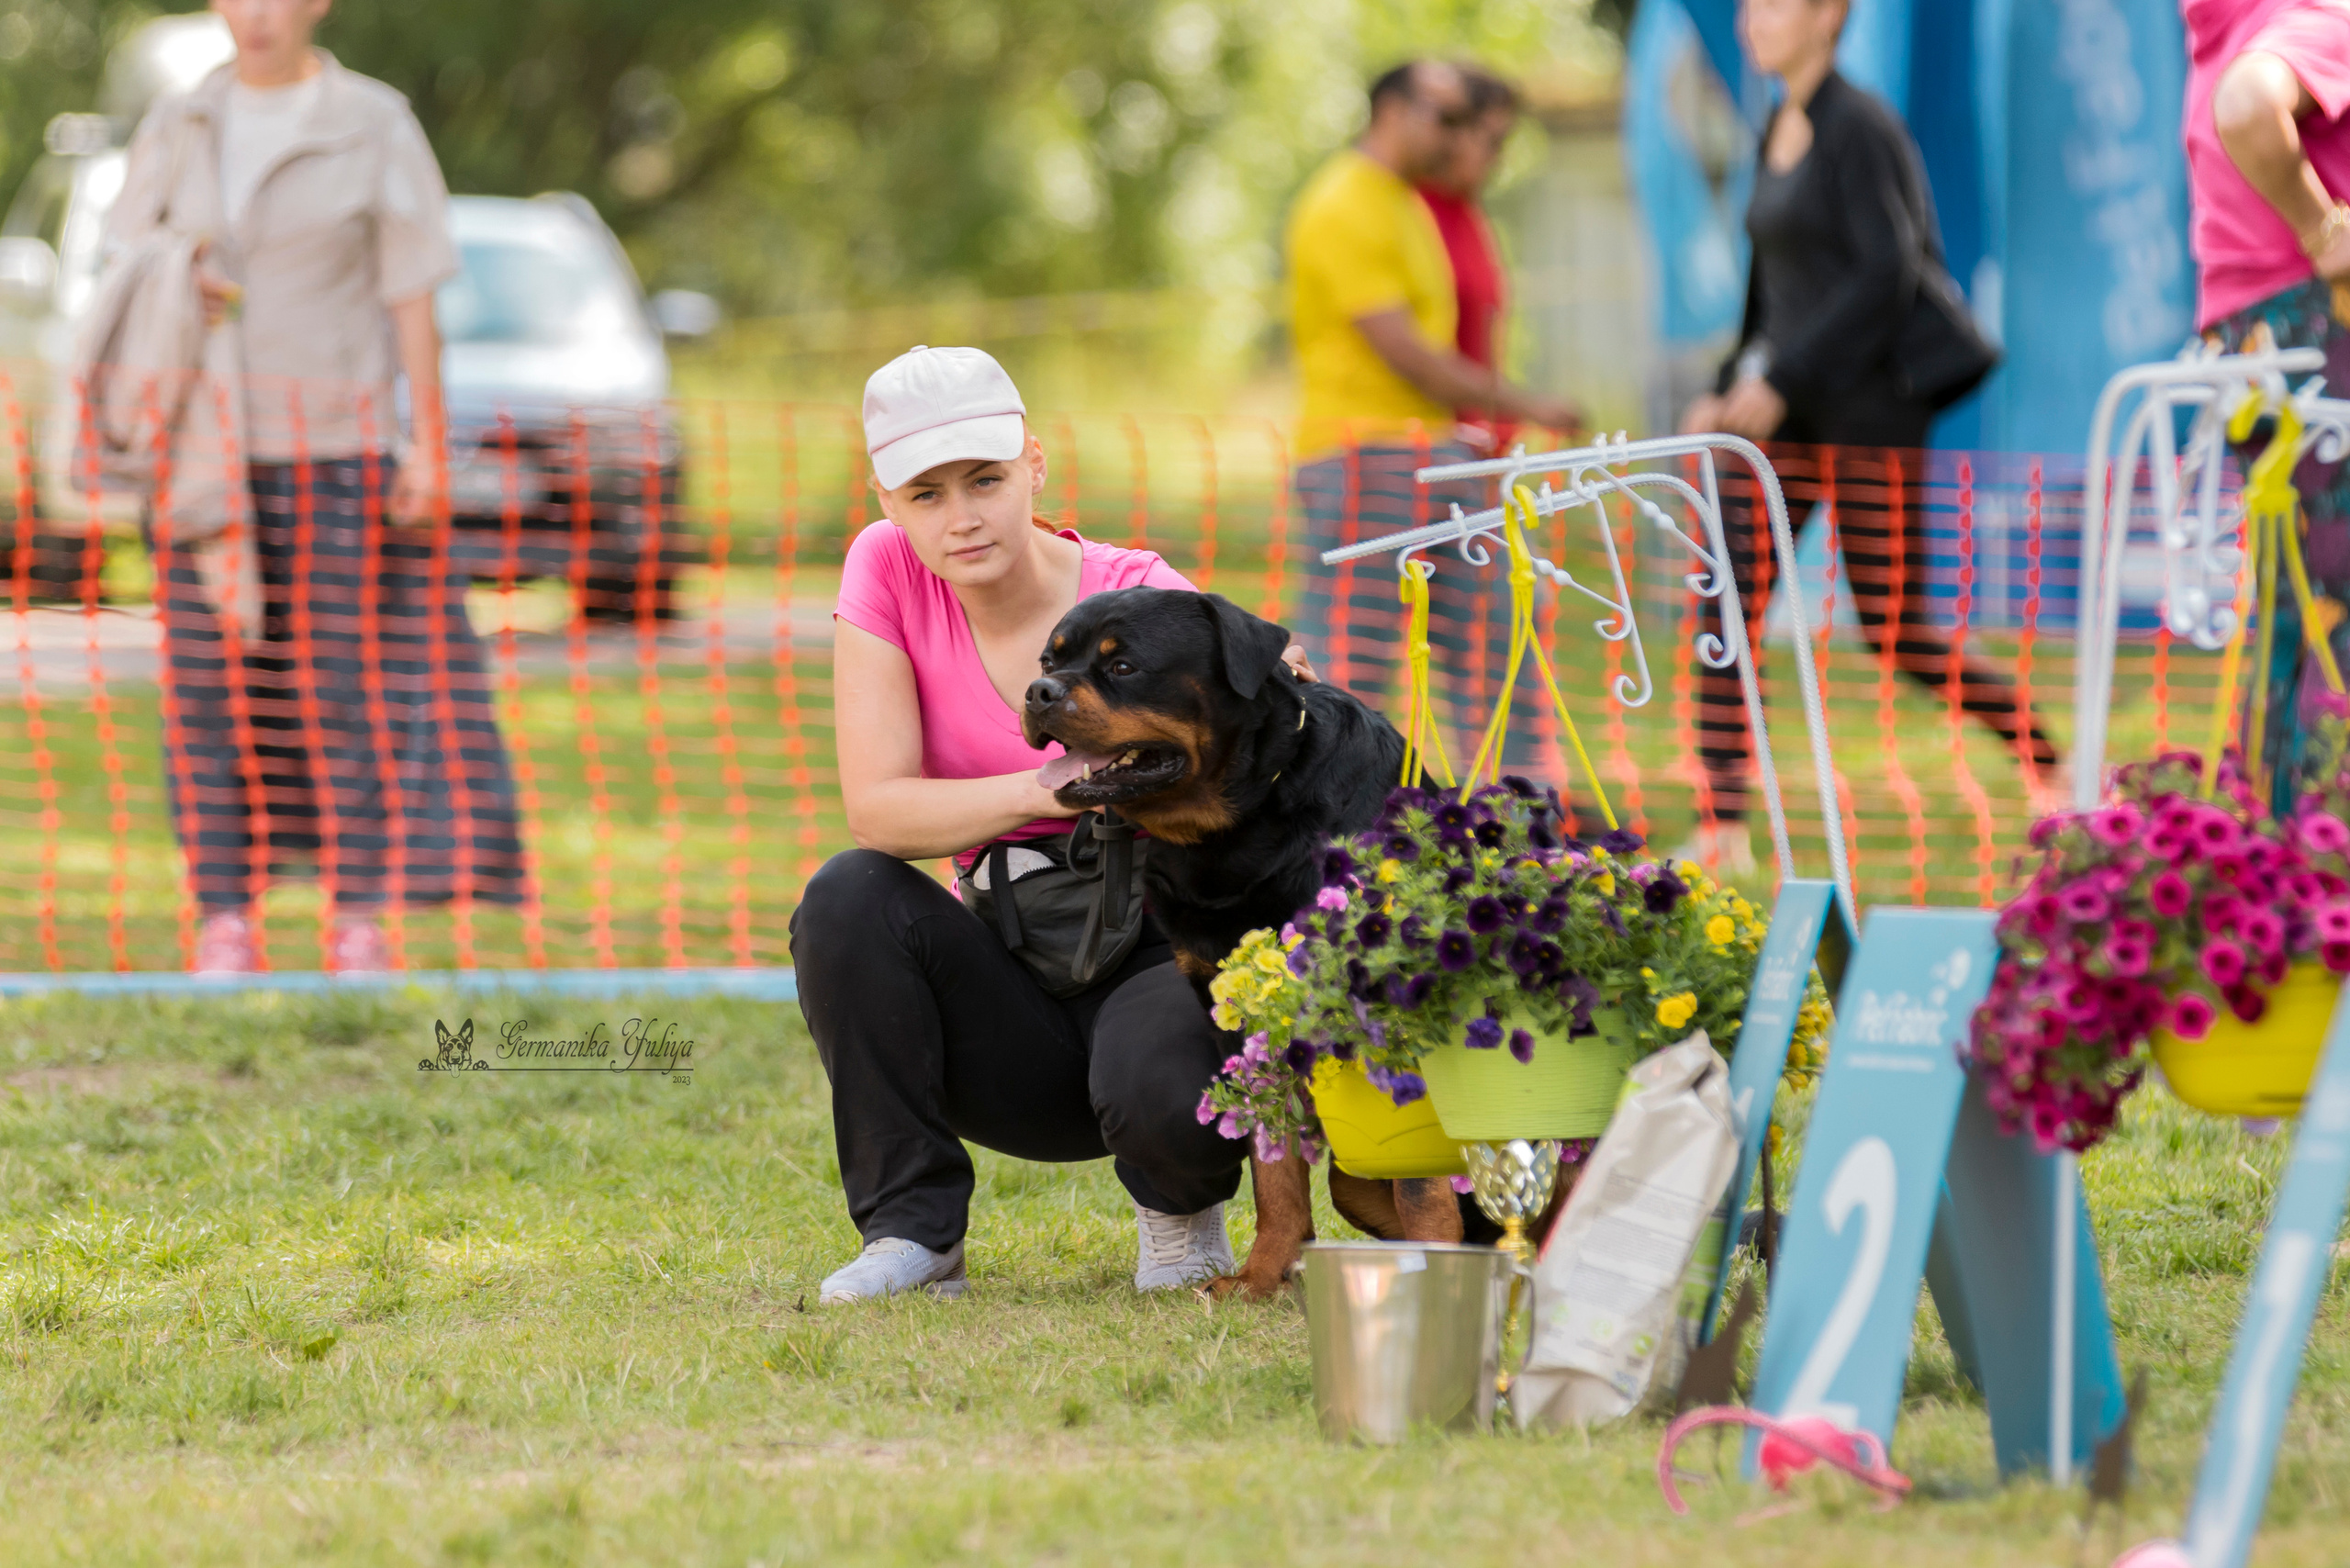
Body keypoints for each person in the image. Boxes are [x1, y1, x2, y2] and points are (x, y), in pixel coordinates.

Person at [794, 346, 1269, 1304]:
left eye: (985, 478)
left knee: (1157, 1066)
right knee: (846, 894)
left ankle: (1181, 1217)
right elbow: (878, 808)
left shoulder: (1137, 587)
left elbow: (1264, 705)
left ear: (1035, 465)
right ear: (887, 503)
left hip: (1153, 956)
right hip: (1011, 975)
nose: (961, 516)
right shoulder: (883, 567)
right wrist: (1049, 789)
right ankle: (913, 1237)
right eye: (924, 493)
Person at [105, 0, 524, 971]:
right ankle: (225, 918)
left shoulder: (372, 120)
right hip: (199, 453)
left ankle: (358, 916)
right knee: (208, 694)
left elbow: (411, 292)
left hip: (336, 453)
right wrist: (174, 276)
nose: (257, 15)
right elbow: (123, 260)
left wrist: (423, 445)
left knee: (344, 690)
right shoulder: (180, 122)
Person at [1679, 0, 2057, 869]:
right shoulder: (1781, 117)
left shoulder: (1861, 125)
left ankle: (2045, 758)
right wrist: (1729, 381)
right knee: (1727, 602)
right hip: (1788, 411)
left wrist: (1783, 378)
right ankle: (1723, 823)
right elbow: (1771, 286)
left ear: (1828, 17)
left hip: (1869, 409)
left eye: (1770, 7)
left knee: (1891, 627)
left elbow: (1888, 270)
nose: (1749, 23)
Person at [1284, 60, 1582, 778]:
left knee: (1497, 650)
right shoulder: (1342, 201)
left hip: (1436, 454)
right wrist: (1525, 404)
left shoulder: (1406, 203)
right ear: (1392, 108)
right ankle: (1329, 841)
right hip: (1364, 458)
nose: (1457, 140)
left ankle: (1519, 825)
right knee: (1351, 668)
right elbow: (1406, 351)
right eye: (1445, 119)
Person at [2188, 0, 2350, 807]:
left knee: (2292, 617)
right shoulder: (2314, 20)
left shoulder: (2219, 37)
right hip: (2321, 341)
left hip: (2249, 351)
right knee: (2336, 610)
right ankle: (2332, 848)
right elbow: (2252, 104)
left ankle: (2280, 850)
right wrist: (2325, 231)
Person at [1417, 66, 1524, 454]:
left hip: (1477, 443)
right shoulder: (1415, 211)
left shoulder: (1469, 214)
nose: (1497, 157)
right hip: (1430, 443)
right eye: (1492, 140)